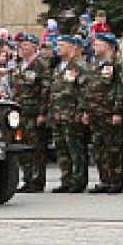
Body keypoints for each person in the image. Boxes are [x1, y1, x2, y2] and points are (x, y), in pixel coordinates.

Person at [84, 33, 123, 194]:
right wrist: (87, 110)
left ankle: (116, 180)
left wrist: (118, 110)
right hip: (96, 112)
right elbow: (90, 89)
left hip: (110, 112)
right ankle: (105, 179)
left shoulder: (118, 63)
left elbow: (121, 88)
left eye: (98, 44)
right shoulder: (95, 64)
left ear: (109, 46)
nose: (95, 47)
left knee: (114, 147)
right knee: (98, 147)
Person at [47, 36, 89, 193]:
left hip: (72, 114)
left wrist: (83, 111)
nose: (58, 48)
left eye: (62, 45)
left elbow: (84, 91)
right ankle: (66, 179)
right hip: (58, 114)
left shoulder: (79, 66)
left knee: (75, 149)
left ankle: (78, 180)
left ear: (72, 48)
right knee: (62, 149)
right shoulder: (58, 67)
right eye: (58, 45)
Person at [13, 34, 50, 192]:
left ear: (35, 47)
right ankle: (27, 179)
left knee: (36, 148)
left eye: (26, 45)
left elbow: (45, 90)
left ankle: (37, 180)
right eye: (21, 45)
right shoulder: (20, 64)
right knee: (23, 147)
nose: (23, 48)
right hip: (21, 111)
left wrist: (42, 112)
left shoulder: (40, 64)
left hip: (34, 112)